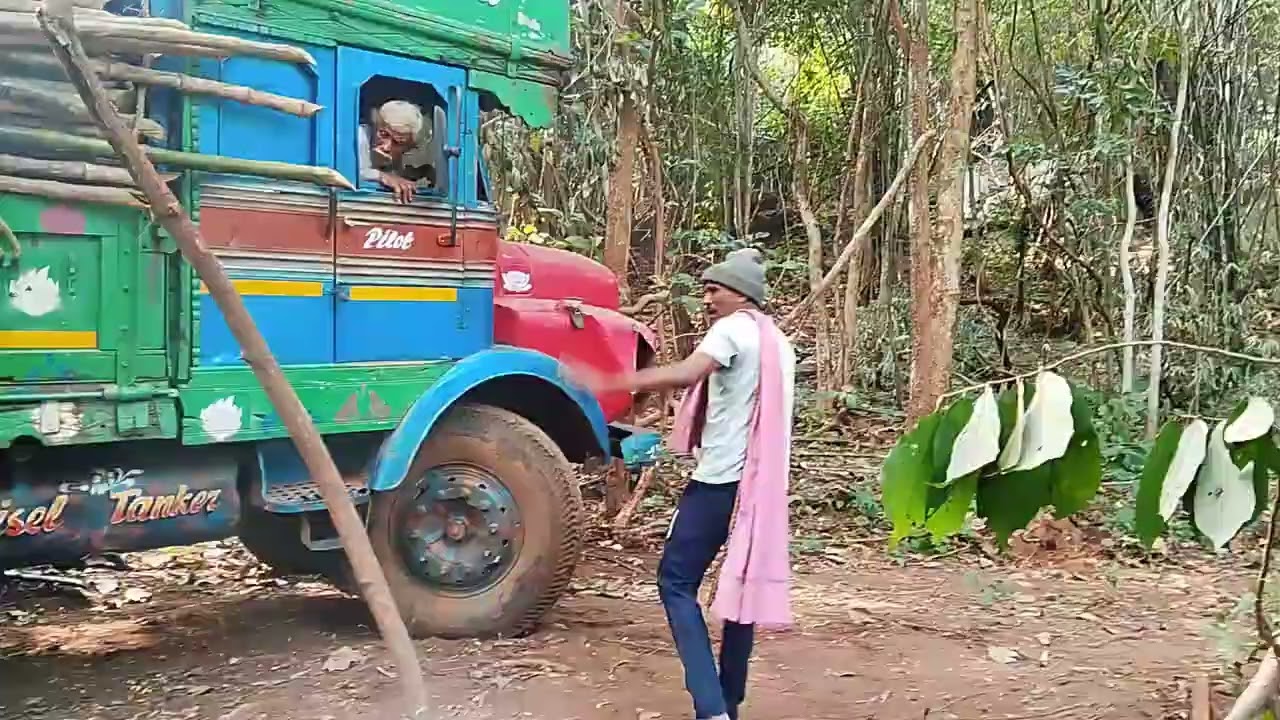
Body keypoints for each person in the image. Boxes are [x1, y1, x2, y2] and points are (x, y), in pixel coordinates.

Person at [566, 248, 796, 720]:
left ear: (741, 293)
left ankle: (710, 708)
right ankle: (728, 703)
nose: (706, 299)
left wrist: (611, 381)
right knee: (741, 593)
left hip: (719, 482)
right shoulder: (777, 342)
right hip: (756, 487)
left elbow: (690, 372)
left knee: (674, 582)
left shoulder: (734, 328)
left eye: (714, 289)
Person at [357, 99, 436, 204]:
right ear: (376, 125)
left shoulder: (397, 154)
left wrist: (421, 172)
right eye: (383, 134)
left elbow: (396, 174)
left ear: (409, 147)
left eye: (398, 142)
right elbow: (349, 173)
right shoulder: (360, 135)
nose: (386, 146)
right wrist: (382, 176)